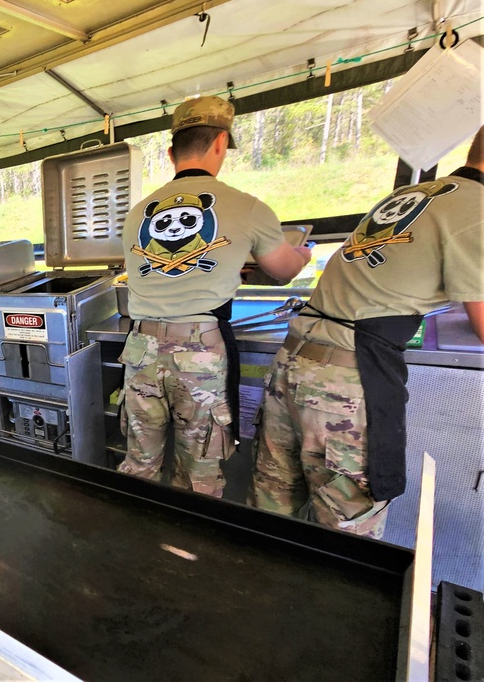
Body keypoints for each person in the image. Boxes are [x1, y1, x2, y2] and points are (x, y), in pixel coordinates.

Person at [250, 127, 484, 538]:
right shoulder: (479, 208)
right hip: (343, 383)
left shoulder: (413, 195)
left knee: (271, 514)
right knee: (348, 534)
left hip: (291, 363)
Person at [119, 95, 311, 496]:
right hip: (199, 353)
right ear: (221, 143)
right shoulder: (247, 207)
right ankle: (189, 551)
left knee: (140, 463)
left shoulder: (138, 211)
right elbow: (284, 271)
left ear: (172, 152)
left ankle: (137, 541)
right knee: (199, 470)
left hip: (139, 349)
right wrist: (302, 254)